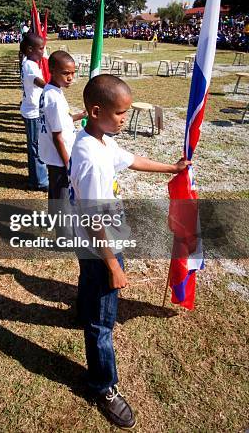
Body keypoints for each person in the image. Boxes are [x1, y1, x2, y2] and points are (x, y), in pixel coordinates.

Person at [69, 74, 189, 429]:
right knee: (102, 324)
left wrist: (171, 168)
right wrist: (113, 265)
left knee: (89, 287)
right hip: (99, 244)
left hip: (94, 241)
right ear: (95, 110)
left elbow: (131, 159)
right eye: (120, 113)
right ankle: (102, 385)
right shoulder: (90, 156)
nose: (125, 118)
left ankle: (83, 310)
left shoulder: (99, 139)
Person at [38, 50, 86, 201]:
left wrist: (81, 115)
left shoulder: (51, 90)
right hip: (60, 158)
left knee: (55, 194)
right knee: (62, 198)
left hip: (54, 156)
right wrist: (68, 165)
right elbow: (57, 137)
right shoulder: (54, 99)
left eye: (73, 72)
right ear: (52, 70)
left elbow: (62, 120)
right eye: (66, 73)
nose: (70, 77)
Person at [20, 33, 49, 191]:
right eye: (41, 48)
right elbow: (40, 83)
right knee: (37, 147)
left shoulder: (29, 61)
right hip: (33, 112)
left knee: (35, 146)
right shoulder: (30, 65)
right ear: (30, 49)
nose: (43, 52)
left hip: (31, 109)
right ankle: (40, 181)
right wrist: (54, 86)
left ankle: (35, 178)